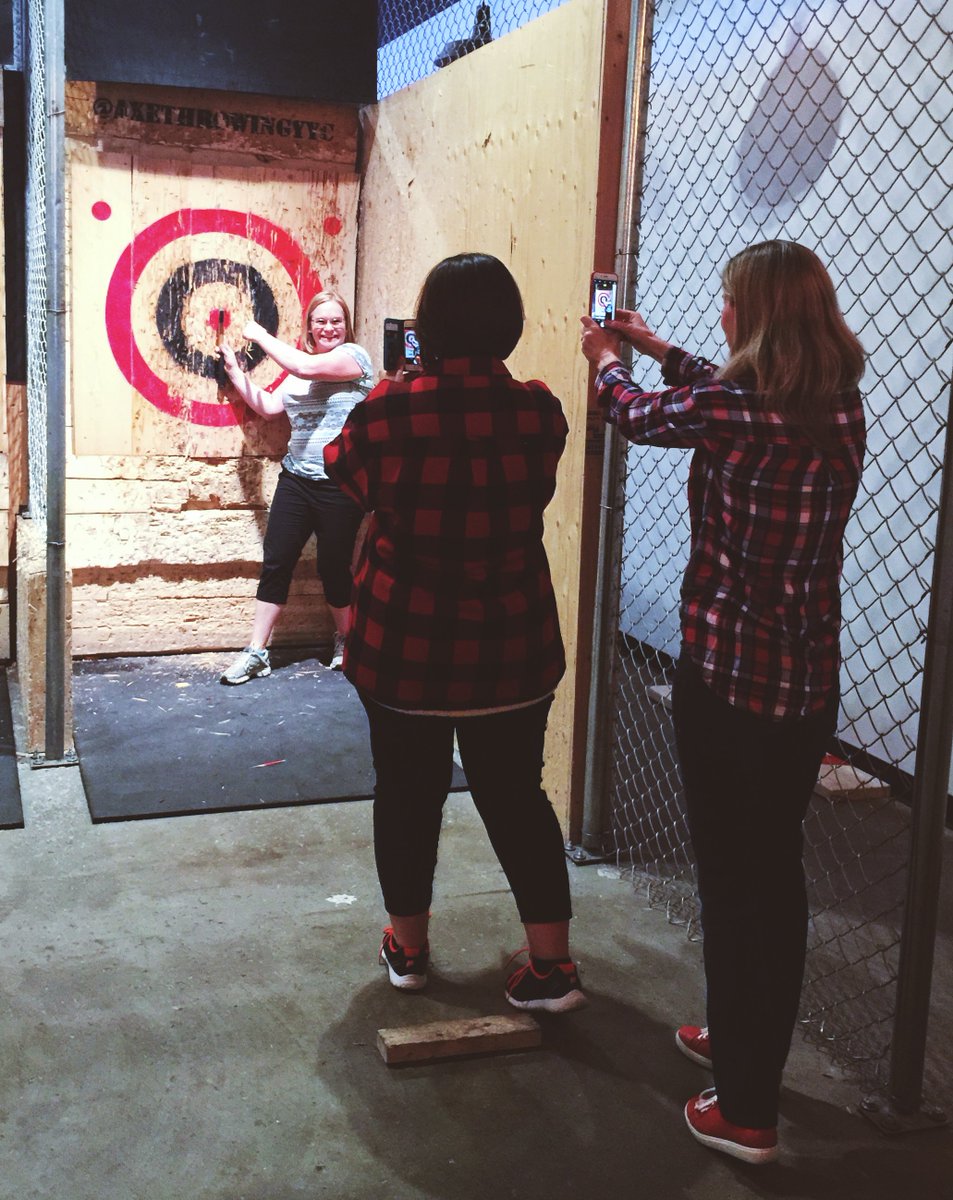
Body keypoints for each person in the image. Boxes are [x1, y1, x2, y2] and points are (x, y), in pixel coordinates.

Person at [581, 240, 865, 1163]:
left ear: (758, 317)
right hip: (802, 688)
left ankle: (745, 1108)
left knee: (742, 888)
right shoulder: (833, 402)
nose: (721, 313)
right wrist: (656, 344)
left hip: (729, 686)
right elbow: (724, 389)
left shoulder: (737, 410)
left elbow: (633, 414)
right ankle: (743, 1037)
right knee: (763, 872)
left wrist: (608, 359)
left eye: (729, 301)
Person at [323, 252, 586, 1012]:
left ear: (427, 329)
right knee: (517, 796)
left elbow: (348, 478)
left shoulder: (386, 408)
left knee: (407, 796)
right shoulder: (539, 411)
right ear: (510, 325)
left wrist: (400, 387)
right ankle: (552, 967)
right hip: (512, 648)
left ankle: (408, 950)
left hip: (404, 648)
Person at [218, 291, 373, 683]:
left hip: (340, 485)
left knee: (334, 566)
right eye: (321, 321)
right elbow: (270, 408)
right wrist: (236, 372)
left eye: (336, 320)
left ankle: (346, 640)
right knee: (277, 561)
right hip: (296, 481)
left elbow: (305, 367)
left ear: (346, 326)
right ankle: (257, 652)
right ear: (310, 327)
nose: (329, 328)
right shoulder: (299, 371)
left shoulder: (354, 358)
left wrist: (259, 335)